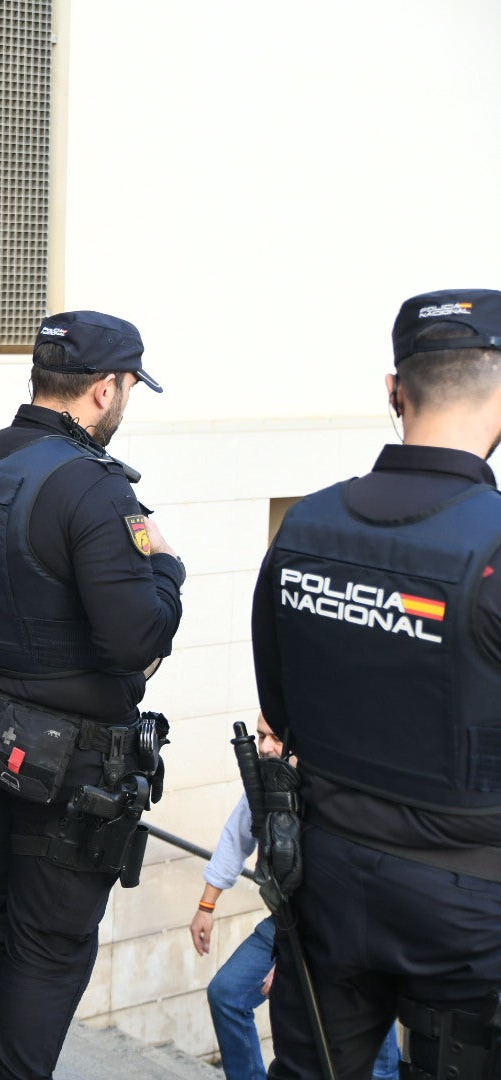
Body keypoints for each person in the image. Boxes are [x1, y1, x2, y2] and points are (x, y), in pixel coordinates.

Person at [0, 310, 185, 1080]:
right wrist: (165, 566)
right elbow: (139, 639)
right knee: (51, 946)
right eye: (130, 387)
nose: (126, 401)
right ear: (104, 389)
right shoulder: (96, 489)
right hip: (68, 763)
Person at [254, 289, 501, 1080]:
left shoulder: (306, 527)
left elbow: (280, 711)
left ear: (394, 391)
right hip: (469, 907)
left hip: (323, 879)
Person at [191, 713, 401, 1080]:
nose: (265, 747)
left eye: (274, 738)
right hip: (287, 919)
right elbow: (234, 839)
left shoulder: (335, 794)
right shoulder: (267, 786)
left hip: (352, 927)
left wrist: (287, 963)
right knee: (227, 994)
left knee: (374, 1041)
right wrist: (206, 907)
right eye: (260, 737)